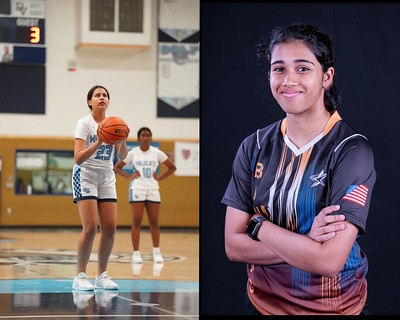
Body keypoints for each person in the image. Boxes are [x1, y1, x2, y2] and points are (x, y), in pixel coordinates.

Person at [222, 23, 376, 315]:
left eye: (303, 68)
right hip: (259, 305)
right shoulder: (253, 145)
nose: (288, 79)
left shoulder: (352, 151)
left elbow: (328, 261)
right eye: (279, 69)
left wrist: (258, 226)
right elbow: (233, 246)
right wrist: (306, 243)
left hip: (334, 309)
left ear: (326, 77)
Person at [72, 85, 129, 291]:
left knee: (110, 228)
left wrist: (121, 141)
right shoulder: (84, 124)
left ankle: (102, 275)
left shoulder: (115, 123)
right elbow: (78, 158)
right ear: (90, 102)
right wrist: (98, 141)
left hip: (106, 175)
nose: (102, 98)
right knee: (90, 227)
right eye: (97, 95)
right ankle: (79, 276)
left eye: (105, 95)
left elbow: (123, 157)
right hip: (85, 174)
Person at [114, 127, 176, 264]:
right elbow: (117, 167)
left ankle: (156, 252)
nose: (145, 138)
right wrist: (130, 176)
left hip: (153, 188)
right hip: (138, 188)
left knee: (154, 222)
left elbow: (172, 167)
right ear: (138, 138)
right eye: (143, 135)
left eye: (148, 135)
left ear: (151, 138)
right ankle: (136, 253)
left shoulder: (156, 153)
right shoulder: (133, 153)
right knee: (137, 221)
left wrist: (160, 177)